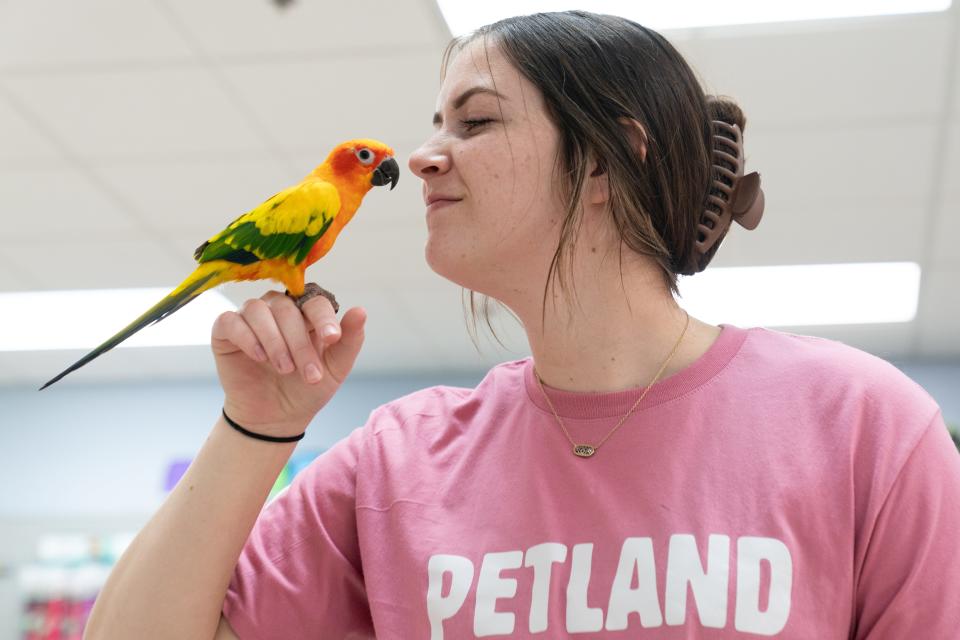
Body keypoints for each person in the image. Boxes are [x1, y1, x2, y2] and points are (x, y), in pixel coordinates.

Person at [84, 10, 960, 639]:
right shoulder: (395, 466)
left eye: (475, 121)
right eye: (436, 125)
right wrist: (256, 426)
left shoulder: (862, 426)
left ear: (614, 161)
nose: (424, 156)